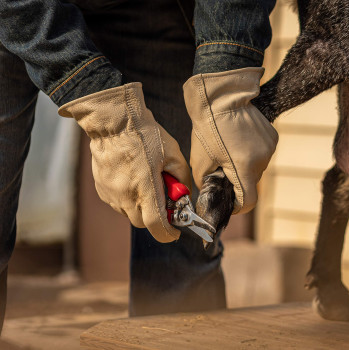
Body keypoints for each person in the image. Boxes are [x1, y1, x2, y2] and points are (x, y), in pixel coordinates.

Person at [0, 0, 277, 333]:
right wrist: (106, 116)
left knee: (182, 257)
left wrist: (227, 72)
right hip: (17, 12)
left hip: (159, 11)